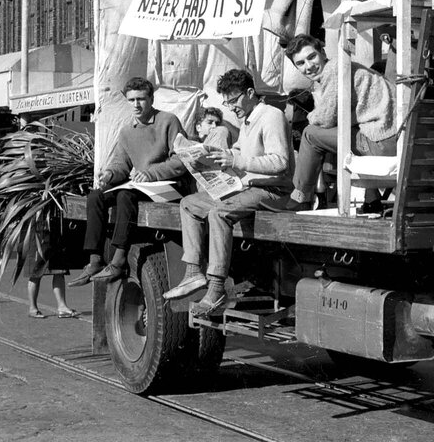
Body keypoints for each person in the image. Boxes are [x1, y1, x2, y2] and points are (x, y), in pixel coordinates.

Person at [163, 69, 292, 316]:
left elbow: (280, 162)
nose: (231, 108)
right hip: (246, 186)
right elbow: (238, 152)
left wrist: (234, 159)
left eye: (233, 101)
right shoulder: (248, 120)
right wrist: (210, 158)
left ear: (251, 93)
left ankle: (217, 287)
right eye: (227, 102)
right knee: (189, 204)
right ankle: (192, 273)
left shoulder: (271, 116)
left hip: (272, 190)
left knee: (219, 213)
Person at [68, 77, 186, 286]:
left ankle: (119, 259)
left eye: (141, 99)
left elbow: (182, 160)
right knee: (96, 196)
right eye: (131, 100)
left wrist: (151, 173)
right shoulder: (127, 131)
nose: (136, 105)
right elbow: (120, 164)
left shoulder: (168, 121)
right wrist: (109, 175)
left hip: (168, 187)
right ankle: (94, 260)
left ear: (151, 99)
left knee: (125, 195)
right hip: (141, 185)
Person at [270, 35, 398, 215]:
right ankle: (372, 200)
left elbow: (324, 118)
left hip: (381, 141)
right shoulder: (343, 68)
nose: (309, 66)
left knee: (310, 134)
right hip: (390, 139)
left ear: (322, 53)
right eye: (301, 63)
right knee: (342, 132)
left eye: (312, 57)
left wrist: (313, 115)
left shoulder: (335, 68)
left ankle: (300, 199)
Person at [24, 223, 78, 319]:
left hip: (55, 228)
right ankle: (33, 308)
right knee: (35, 272)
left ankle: (62, 307)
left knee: (59, 270)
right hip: (38, 230)